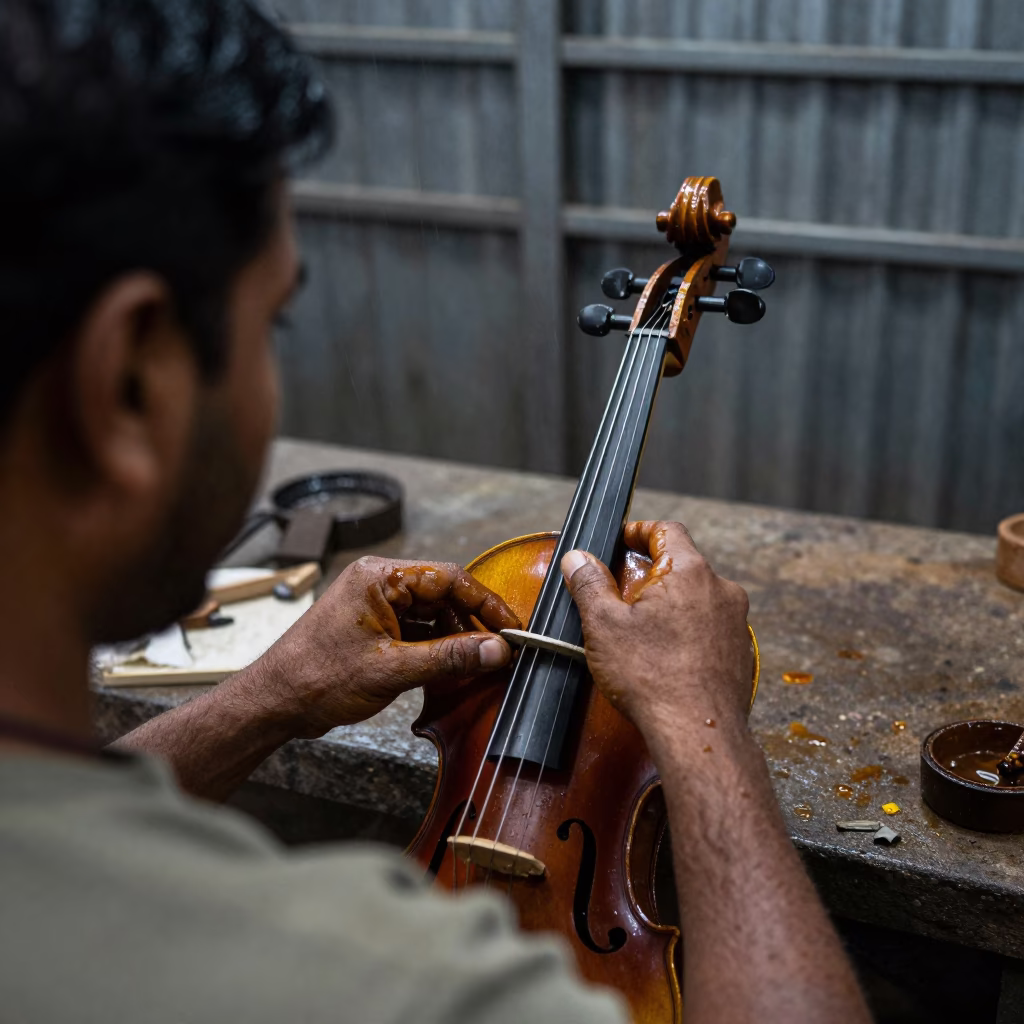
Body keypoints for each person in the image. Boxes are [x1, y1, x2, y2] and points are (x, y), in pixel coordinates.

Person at [0, 2, 871, 1022]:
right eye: (270, 320)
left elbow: (74, 823)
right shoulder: (385, 985)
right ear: (129, 384)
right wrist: (702, 717)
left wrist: (272, 691)